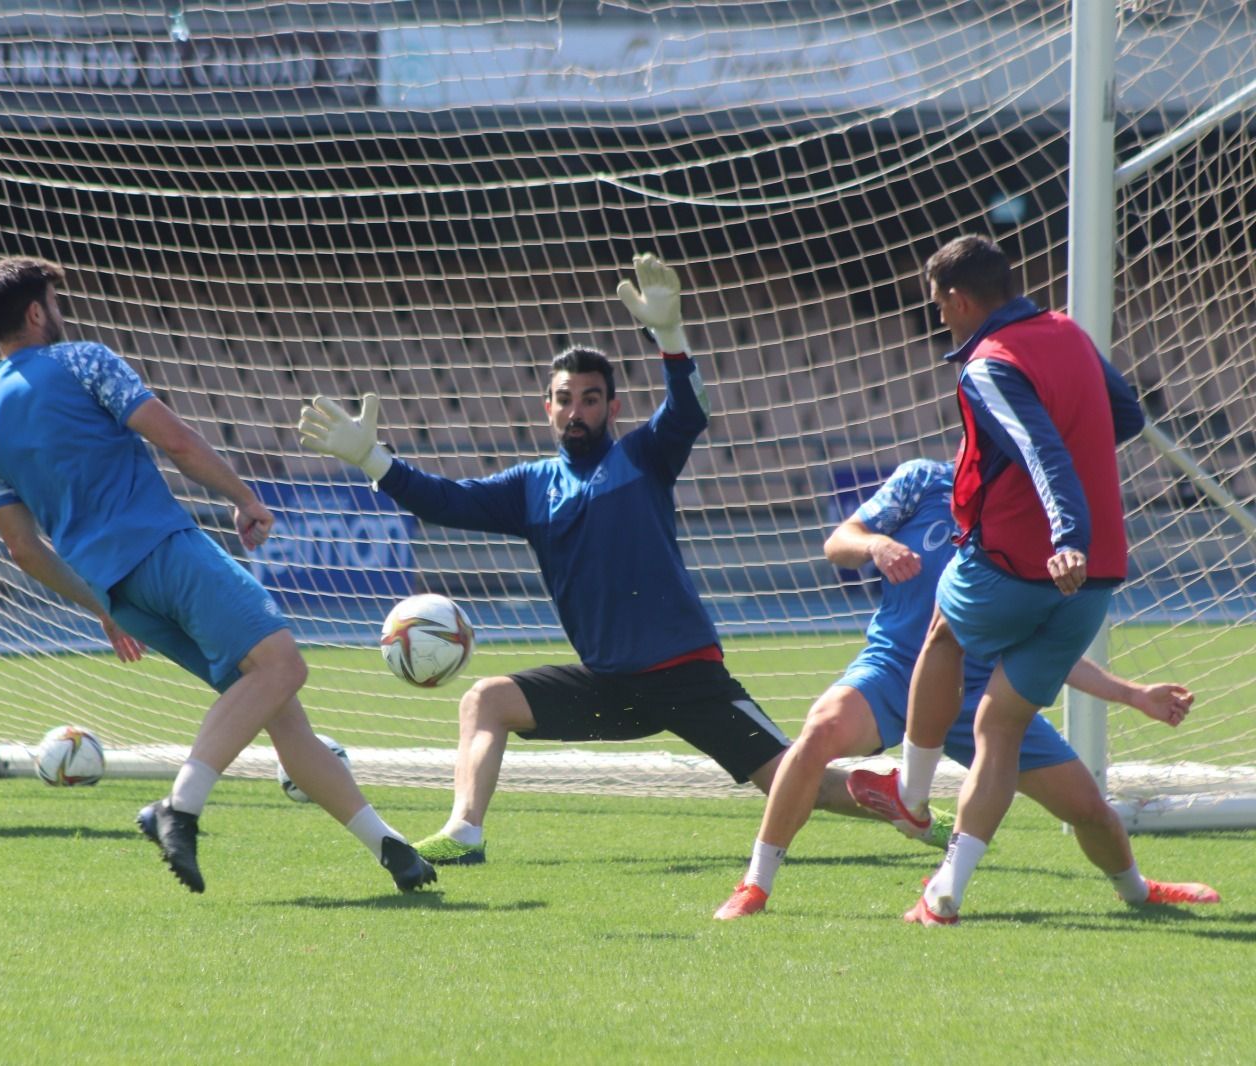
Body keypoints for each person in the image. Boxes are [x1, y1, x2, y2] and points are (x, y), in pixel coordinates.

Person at [298, 254, 945, 867]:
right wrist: (372, 460)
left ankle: (896, 800)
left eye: (588, 398)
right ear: (547, 407)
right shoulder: (531, 486)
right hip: (608, 683)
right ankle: (465, 832)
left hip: (684, 676)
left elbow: (688, 411)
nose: (575, 410)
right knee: (486, 699)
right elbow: (443, 501)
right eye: (564, 398)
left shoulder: (641, 458)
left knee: (790, 779)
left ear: (612, 406)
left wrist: (670, 335)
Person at [0, 256, 435, 894]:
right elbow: (178, 442)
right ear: (34, 311)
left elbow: (22, 548)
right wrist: (245, 498)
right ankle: (177, 808)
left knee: (279, 709)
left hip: (121, 595)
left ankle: (392, 850)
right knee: (283, 667)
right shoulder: (81, 360)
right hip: (164, 551)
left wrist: (99, 604)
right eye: (55, 299)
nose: (61, 310)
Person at [715, 458, 1218, 919]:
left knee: (1091, 811)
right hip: (891, 669)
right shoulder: (922, 481)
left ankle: (1137, 891)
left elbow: (1046, 647)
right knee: (819, 732)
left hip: (984, 691)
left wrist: (1132, 694)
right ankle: (755, 886)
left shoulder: (1036, 518)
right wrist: (875, 544)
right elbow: (838, 542)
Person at [845, 234, 1147, 924]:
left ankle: (912, 797)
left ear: (957, 299)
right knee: (1000, 724)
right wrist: (1081, 519)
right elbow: (1124, 416)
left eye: (939, 307)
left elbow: (1041, 450)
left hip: (1023, 561)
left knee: (945, 632)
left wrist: (1062, 530)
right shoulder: (1067, 330)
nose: (942, 319)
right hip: (1096, 576)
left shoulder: (987, 364)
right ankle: (948, 887)